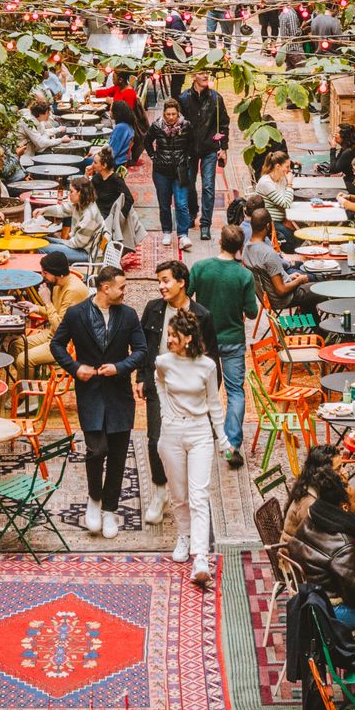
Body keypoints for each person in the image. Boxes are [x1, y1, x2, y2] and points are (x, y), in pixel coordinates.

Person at [50, 264, 148, 538]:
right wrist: (74, 366)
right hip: (90, 392)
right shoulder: (76, 314)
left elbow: (141, 350)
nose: (125, 290)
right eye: (122, 286)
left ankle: (110, 510)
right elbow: (56, 344)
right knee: (96, 450)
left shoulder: (128, 315)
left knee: (118, 455)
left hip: (119, 394)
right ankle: (94, 499)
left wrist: (121, 366)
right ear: (106, 288)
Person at [152, 308, 223, 584]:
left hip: (199, 431)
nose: (169, 339)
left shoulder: (207, 366)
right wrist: (164, 413)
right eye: (168, 334)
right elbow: (158, 384)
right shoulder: (163, 362)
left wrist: (224, 439)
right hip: (171, 431)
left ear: (189, 338)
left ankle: (201, 557)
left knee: (199, 495)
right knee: (179, 493)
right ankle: (184, 535)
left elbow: (214, 405)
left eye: (174, 335)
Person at [139, 260, 215, 514]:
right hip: (159, 385)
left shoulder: (202, 316)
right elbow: (143, 347)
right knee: (154, 440)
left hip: (191, 391)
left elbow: (213, 358)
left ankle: (185, 492)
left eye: (166, 280)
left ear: (181, 282)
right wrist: (141, 377)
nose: (161, 286)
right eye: (159, 281)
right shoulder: (152, 310)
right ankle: (160, 492)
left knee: (186, 443)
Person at [283, 444, 355, 630]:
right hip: (308, 576)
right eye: (338, 468)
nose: (343, 472)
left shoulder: (318, 496)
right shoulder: (311, 507)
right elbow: (324, 549)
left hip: (317, 568)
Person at [185, 226, 261, 469]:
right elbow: (252, 311)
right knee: (235, 391)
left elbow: (186, 297)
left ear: (219, 242)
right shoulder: (244, 276)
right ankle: (232, 445)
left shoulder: (200, 268)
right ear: (240, 248)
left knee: (203, 388)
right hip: (232, 339)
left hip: (204, 339)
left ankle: (202, 434)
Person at [176, 69, 229, 235]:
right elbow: (179, 125)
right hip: (189, 149)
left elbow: (224, 125)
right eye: (201, 73)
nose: (206, 75)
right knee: (189, 184)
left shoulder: (215, 98)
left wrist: (224, 148)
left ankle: (205, 223)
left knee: (208, 186)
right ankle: (193, 213)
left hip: (209, 149)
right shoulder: (184, 98)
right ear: (193, 76)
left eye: (207, 72)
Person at [20, 248, 90, 371]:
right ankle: (30, 379)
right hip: (53, 334)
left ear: (56, 272)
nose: (42, 275)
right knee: (16, 345)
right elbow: (55, 314)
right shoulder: (58, 284)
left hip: (66, 342)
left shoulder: (73, 291)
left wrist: (47, 301)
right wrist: (35, 308)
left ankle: (27, 386)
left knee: (23, 360)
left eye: (45, 272)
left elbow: (60, 326)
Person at [148, 99, 201, 251]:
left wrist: (188, 158)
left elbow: (193, 143)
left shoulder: (186, 126)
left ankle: (183, 234)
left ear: (178, 114)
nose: (171, 117)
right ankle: (166, 231)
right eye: (168, 114)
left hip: (180, 171)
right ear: (164, 114)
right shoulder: (157, 126)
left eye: (173, 114)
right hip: (161, 171)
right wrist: (153, 156)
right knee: (164, 204)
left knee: (181, 203)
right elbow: (147, 141)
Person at [234, 220, 311, 310]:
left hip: (267, 297)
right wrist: (299, 280)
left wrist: (290, 277)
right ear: (267, 225)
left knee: (310, 292)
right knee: (316, 288)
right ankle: (311, 322)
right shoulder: (268, 253)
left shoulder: (246, 248)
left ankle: (306, 321)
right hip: (282, 300)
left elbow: (269, 278)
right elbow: (281, 290)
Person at [53, 174, 118, 268]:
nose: (69, 194)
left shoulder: (89, 214)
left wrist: (62, 242)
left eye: (71, 191)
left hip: (86, 254)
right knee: (45, 240)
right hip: (81, 247)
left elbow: (77, 243)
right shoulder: (80, 204)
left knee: (42, 248)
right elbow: (62, 209)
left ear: (80, 193)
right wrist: (43, 211)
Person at [252, 148, 299, 250]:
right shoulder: (266, 183)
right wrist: (290, 183)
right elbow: (286, 203)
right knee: (293, 239)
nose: (289, 170)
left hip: (282, 219)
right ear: (278, 166)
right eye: (287, 167)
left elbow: (286, 198)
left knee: (302, 231)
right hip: (270, 222)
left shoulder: (281, 179)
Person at [86, 145, 134, 246]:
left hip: (108, 215)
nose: (92, 164)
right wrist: (86, 175)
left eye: (95, 162)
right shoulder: (97, 178)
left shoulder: (116, 180)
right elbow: (86, 194)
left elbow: (130, 199)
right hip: (97, 212)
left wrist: (120, 217)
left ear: (104, 165)